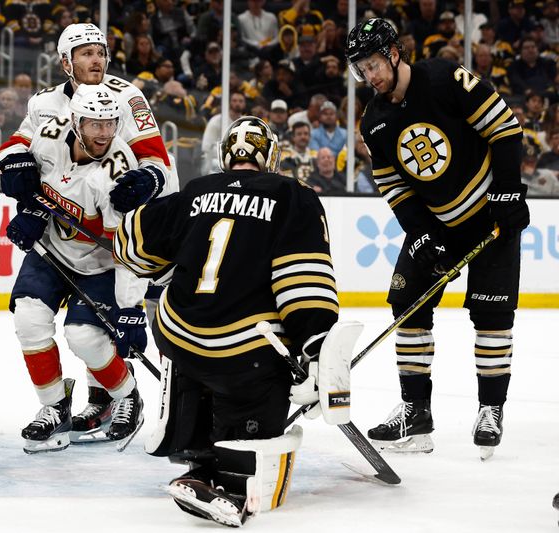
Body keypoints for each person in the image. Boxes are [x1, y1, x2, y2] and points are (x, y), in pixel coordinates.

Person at [113, 115, 339, 527]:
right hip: (244, 356)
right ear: (271, 157)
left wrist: (174, 261)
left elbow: (130, 243)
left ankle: (193, 451)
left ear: (225, 156)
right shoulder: (293, 195)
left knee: (192, 346)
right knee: (253, 400)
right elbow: (302, 282)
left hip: (180, 339)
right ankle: (231, 479)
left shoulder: (197, 190)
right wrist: (315, 351)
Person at [347, 18, 530, 458]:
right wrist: (423, 234)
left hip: (488, 216)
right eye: (361, 68)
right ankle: (416, 412)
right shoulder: (373, 120)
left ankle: (490, 409)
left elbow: (505, 129)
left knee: (492, 316)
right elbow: (393, 185)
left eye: (373, 64)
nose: (369, 76)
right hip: (438, 224)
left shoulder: (446, 77)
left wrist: (506, 194)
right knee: (406, 302)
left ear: (394, 52)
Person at [0, 22, 175, 442]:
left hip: (112, 232)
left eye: (101, 51)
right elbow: (18, 146)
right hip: (58, 238)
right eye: (86, 53)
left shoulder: (127, 96)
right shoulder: (45, 106)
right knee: (30, 319)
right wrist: (20, 173)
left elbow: (157, 163)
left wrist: (146, 182)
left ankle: (114, 395)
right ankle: (55, 405)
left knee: (88, 334)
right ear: (66, 62)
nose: (97, 59)